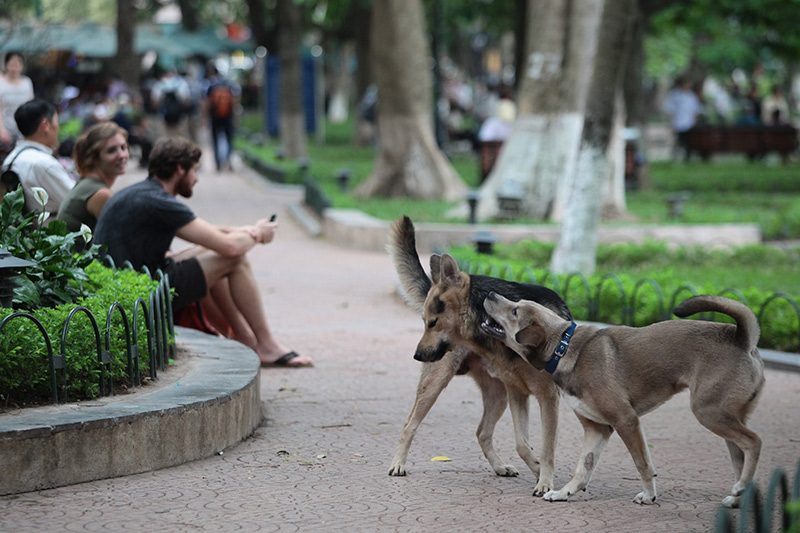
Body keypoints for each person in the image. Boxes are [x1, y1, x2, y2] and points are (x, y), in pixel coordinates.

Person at [94, 137, 312, 367]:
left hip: (129, 285)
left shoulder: (143, 192)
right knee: (234, 259)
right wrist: (258, 234)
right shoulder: (160, 202)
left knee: (206, 251)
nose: (197, 178)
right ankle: (265, 345)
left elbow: (206, 233)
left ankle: (242, 337)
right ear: (180, 169)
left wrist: (244, 230)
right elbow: (231, 247)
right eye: (195, 171)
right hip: (143, 296)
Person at [1, 99, 74, 214]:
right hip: (54, 229)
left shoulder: (10, 159)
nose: (58, 129)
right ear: (46, 125)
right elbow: (74, 202)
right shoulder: (44, 163)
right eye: (56, 123)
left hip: (24, 230)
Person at [56, 122, 129, 233]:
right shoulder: (101, 194)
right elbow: (125, 236)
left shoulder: (88, 183)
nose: (122, 155)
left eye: (123, 148)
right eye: (111, 150)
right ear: (94, 157)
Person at [0, 51, 35, 163]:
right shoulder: (1, 83)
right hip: (5, 129)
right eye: (12, 64)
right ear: (6, 65)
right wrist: (1, 130)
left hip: (23, 130)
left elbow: (30, 106)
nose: (15, 67)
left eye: (17, 64)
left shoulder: (27, 82)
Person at [204, 64, 240, 171]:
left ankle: (218, 164)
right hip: (228, 116)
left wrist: (205, 118)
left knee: (215, 140)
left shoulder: (210, 85)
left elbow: (206, 103)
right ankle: (228, 160)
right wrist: (235, 117)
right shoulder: (228, 84)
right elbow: (234, 101)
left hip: (214, 116)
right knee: (229, 139)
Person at [662, 77, 703, 161]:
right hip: (678, 122)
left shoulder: (691, 96)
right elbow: (669, 109)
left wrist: (695, 120)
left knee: (688, 141)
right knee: (679, 140)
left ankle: (687, 156)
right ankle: (676, 156)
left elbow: (696, 110)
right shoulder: (674, 95)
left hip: (689, 123)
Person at [150, 67, 192, 138]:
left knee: (166, 139)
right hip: (180, 118)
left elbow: (155, 104)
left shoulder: (159, 85)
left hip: (164, 118)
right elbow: (186, 101)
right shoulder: (182, 83)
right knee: (180, 139)